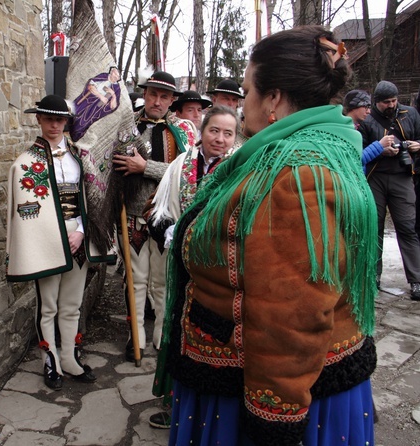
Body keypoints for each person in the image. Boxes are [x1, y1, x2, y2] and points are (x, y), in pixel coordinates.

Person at [160, 26, 378, 445]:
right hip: (249, 377)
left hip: (264, 393)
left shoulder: (298, 174)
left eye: (247, 92)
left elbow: (291, 317)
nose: (242, 110)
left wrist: (272, 426)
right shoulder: (308, 150)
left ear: (274, 98)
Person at [6, 95, 113, 390]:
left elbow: (91, 196)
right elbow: (28, 213)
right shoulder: (26, 164)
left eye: (60, 119)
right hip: (47, 239)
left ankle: (70, 357)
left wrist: (81, 230)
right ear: (38, 119)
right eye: (49, 118)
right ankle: (49, 359)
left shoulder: (81, 157)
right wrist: (54, 236)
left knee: (72, 304)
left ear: (66, 122)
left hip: (78, 237)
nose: (54, 124)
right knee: (48, 305)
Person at [147, 105, 239, 430]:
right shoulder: (180, 165)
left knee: (211, 339)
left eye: (228, 133)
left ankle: (208, 414)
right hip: (181, 270)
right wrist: (170, 229)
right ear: (203, 131)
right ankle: (176, 406)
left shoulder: (239, 170)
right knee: (176, 332)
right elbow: (157, 213)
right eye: (215, 130)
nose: (220, 139)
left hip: (217, 276)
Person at [111, 71, 196, 362]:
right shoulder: (127, 127)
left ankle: (163, 334)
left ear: (172, 100)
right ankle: (136, 336)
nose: (157, 101)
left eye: (164, 96)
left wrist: (145, 167)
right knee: (135, 280)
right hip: (132, 217)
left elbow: (183, 173)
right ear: (144, 95)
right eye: (152, 94)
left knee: (162, 281)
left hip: (165, 218)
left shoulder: (182, 132)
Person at [358, 80, 420, 299]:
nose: (391, 105)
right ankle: (373, 276)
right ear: (377, 102)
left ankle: (416, 280)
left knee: (407, 227)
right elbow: (360, 150)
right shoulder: (368, 120)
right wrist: (380, 151)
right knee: (374, 228)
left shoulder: (410, 114)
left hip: (403, 177)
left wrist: (416, 145)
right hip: (376, 177)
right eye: (386, 102)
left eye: (394, 100)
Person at [343, 89, 396, 173]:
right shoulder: (344, 130)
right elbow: (353, 161)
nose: (368, 111)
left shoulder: (356, 127)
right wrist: (379, 145)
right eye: (366, 107)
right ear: (354, 106)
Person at [70, 65, 122, 142]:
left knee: (83, 123)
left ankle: (74, 137)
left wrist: (113, 95)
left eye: (118, 76)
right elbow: (91, 87)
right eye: (115, 74)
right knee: (74, 113)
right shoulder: (103, 76)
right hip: (87, 99)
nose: (115, 77)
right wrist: (100, 96)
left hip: (97, 107)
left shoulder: (117, 88)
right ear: (111, 72)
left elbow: (113, 106)